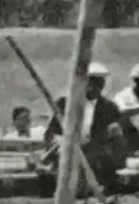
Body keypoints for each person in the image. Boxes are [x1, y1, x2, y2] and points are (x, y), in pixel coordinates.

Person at [41, 62, 127, 192]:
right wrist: (60, 142)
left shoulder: (109, 108)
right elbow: (51, 134)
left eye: (99, 83)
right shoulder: (65, 104)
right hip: (68, 152)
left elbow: (115, 139)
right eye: (91, 83)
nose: (95, 87)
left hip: (96, 155)